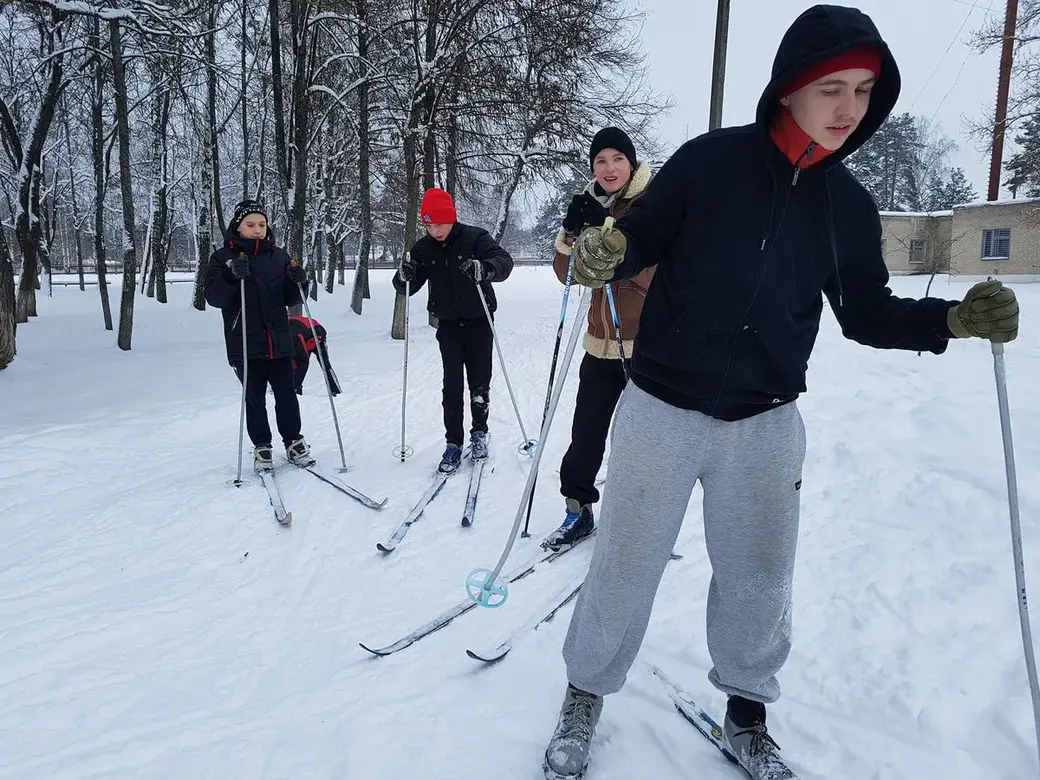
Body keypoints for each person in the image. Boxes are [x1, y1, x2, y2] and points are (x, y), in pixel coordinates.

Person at [540, 6, 1020, 780]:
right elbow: (640, 236)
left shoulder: (849, 207)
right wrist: (608, 247)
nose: (848, 109)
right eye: (830, 87)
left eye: (863, 91)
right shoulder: (709, 163)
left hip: (764, 426)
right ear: (789, 89)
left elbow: (866, 313)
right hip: (661, 407)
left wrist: (954, 319)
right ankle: (584, 693)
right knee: (625, 563)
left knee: (760, 578)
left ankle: (747, 714)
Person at [542, 127, 655, 552]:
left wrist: (617, 253)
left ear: (631, 163)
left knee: (639, 437)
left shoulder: (652, 205)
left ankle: (641, 517)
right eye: (600, 161)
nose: (608, 169)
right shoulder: (590, 205)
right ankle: (578, 510)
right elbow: (564, 275)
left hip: (645, 346)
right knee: (585, 433)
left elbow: (663, 268)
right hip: (598, 344)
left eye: (617, 159)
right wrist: (571, 234)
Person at [392, 188, 514, 474]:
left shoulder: (476, 238)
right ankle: (454, 443)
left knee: (479, 382)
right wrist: (403, 275)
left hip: (479, 323)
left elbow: (505, 262)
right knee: (452, 386)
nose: (435, 230)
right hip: (447, 327)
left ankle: (479, 433)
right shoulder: (423, 248)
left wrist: (484, 268)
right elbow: (405, 287)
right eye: (429, 224)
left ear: (452, 218)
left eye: (440, 223)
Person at [205, 200, 315, 472]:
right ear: (238, 227)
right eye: (250, 225)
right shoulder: (222, 258)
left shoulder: (278, 256)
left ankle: (293, 440)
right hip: (244, 341)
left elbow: (291, 298)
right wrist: (231, 276)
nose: (257, 230)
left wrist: (300, 280)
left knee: (287, 393)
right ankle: (262, 445)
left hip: (279, 339)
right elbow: (214, 297)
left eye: (261, 225)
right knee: (254, 397)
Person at [289, 315, 341, 396]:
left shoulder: (294, 333)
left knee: (324, 364)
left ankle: (335, 390)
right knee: (294, 364)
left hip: (317, 337)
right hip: (304, 337)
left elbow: (303, 362)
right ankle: (294, 388)